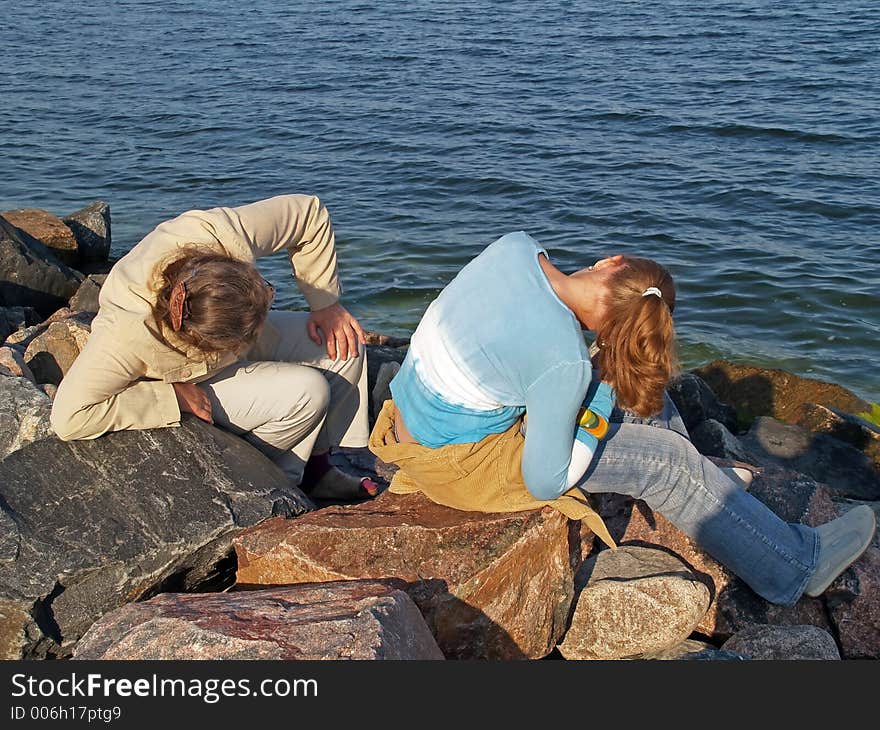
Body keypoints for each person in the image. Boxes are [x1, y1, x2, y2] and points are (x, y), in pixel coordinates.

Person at [369, 230, 876, 606]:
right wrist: (596, 404)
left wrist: (602, 381)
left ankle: (708, 486)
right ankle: (793, 567)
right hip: (456, 460)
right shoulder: (562, 360)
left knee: (632, 386)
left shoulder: (516, 247)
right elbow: (544, 481)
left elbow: (531, 344)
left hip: (414, 414)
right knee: (666, 461)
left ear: (609, 262)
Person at [51, 194, 377, 500]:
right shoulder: (125, 336)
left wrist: (325, 303)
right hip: (192, 381)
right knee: (308, 392)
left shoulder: (216, 235)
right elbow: (69, 417)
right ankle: (269, 482)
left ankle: (319, 468)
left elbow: (309, 214)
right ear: (215, 341)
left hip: (226, 337)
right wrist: (172, 397)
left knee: (344, 345)